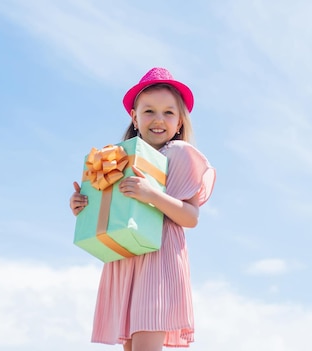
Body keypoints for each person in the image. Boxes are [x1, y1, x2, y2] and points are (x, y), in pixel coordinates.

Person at [70, 67, 216, 351]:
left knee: (146, 344)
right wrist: (82, 205)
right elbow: (111, 206)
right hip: (126, 256)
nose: (158, 119)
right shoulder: (118, 157)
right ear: (134, 117)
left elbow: (191, 217)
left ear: (180, 122)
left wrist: (152, 194)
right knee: (132, 345)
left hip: (158, 258)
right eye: (149, 111)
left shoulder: (180, 153)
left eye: (168, 113)